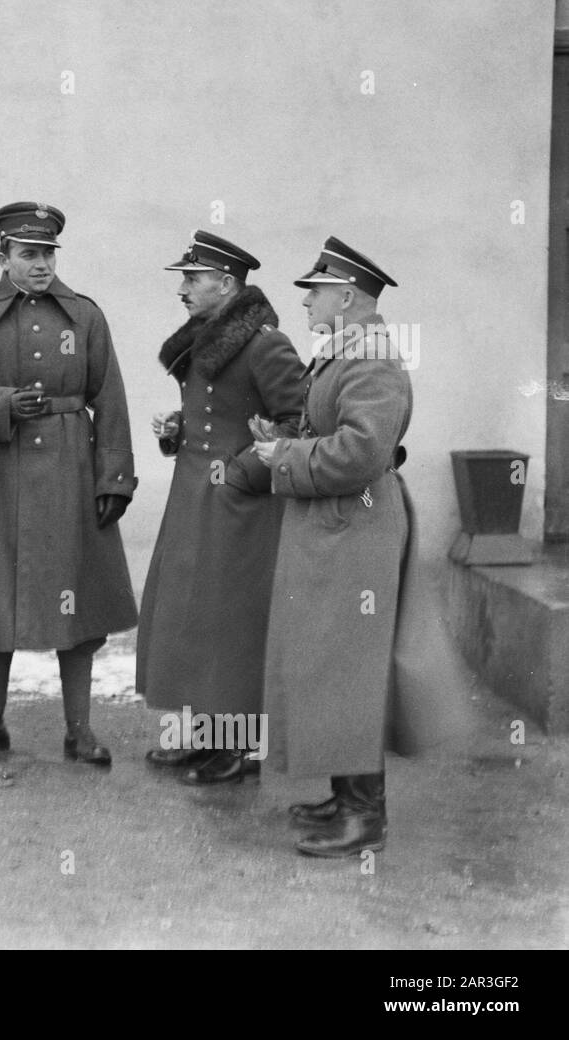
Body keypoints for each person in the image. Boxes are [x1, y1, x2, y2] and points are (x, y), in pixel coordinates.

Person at [0, 202, 137, 766]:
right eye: (29, 254)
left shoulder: (85, 316)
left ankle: (80, 730)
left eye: (47, 253)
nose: (41, 263)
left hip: (71, 467)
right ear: (3, 258)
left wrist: (114, 476)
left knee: (77, 597)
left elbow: (110, 397)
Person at [251, 237, 410, 857]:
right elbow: (338, 432)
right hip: (338, 527)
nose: (306, 303)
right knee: (331, 665)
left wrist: (285, 455)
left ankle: (365, 817)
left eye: (314, 292)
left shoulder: (368, 357)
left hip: (355, 531)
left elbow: (365, 452)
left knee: (350, 669)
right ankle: (347, 798)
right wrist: (288, 435)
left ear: (346, 296)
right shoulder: (346, 351)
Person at [137, 231, 307, 784]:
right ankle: (208, 736)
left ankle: (240, 746)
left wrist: (242, 474)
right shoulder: (206, 339)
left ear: (227, 284)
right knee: (195, 618)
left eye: (192, 279)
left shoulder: (264, 344)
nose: (182, 289)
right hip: (193, 497)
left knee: (231, 622)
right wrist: (177, 429)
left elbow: (298, 422)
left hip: (240, 509)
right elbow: (215, 413)